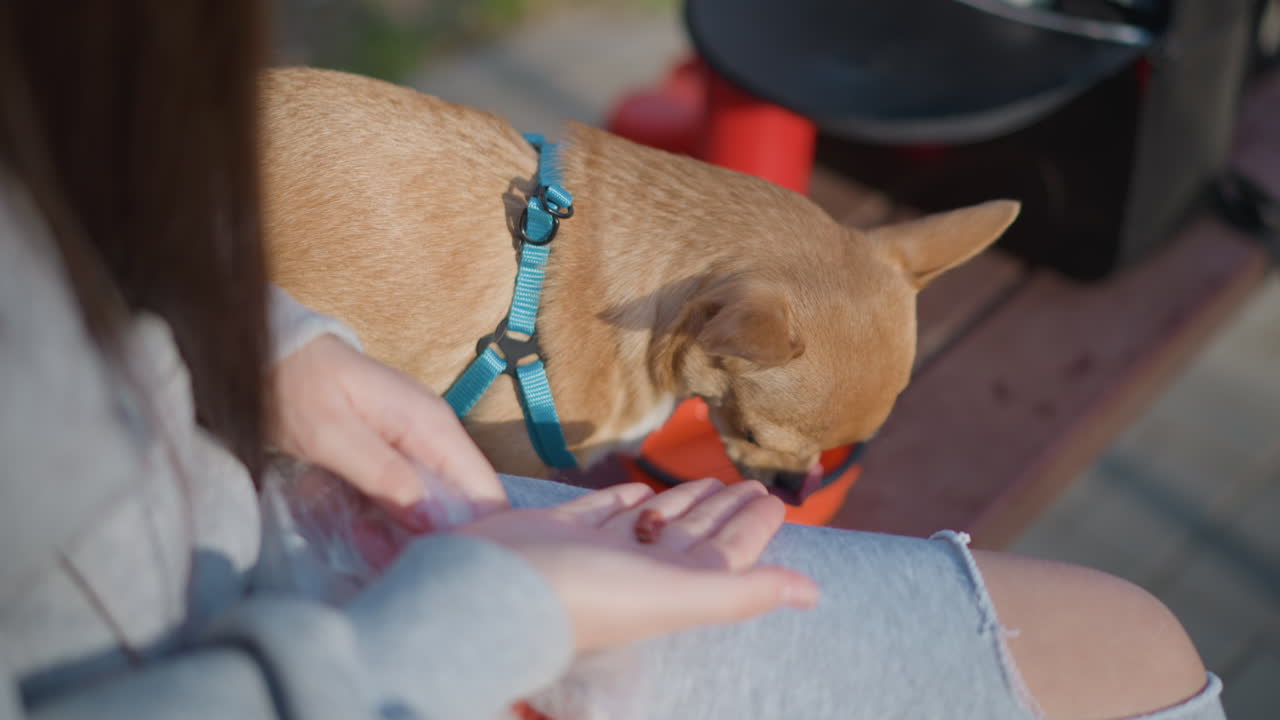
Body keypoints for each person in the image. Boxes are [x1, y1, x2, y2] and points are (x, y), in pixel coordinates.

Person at [0, 3, 1226, 719]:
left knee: (1137, 641)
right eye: (765, 438)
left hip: (234, 445)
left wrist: (278, 345)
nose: (776, 473)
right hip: (308, 632)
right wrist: (503, 610)